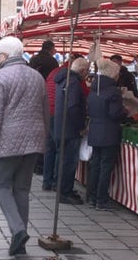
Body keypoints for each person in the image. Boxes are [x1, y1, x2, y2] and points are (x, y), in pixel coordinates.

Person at [0, 36, 49, 256]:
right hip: (34, 141)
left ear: (4, 56)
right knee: (22, 189)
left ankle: (18, 229)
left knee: (1, 186)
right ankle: (19, 243)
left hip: (7, 142)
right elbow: (45, 111)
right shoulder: (37, 77)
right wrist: (44, 138)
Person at [87, 59, 128, 211]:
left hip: (95, 130)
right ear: (113, 74)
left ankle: (91, 197)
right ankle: (101, 199)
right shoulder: (113, 91)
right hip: (109, 132)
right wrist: (124, 111)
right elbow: (114, 113)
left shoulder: (94, 88)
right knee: (105, 167)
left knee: (95, 165)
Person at [54, 57, 89, 205]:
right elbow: (73, 107)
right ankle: (65, 192)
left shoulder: (64, 79)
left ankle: (63, 188)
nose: (87, 74)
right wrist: (81, 126)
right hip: (70, 128)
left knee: (64, 160)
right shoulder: (74, 83)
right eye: (87, 71)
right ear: (82, 70)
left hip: (61, 126)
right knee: (69, 162)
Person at [29, 40, 59, 175]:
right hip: (46, 98)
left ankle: (35, 164)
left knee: (35, 134)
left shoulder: (33, 59)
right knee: (46, 135)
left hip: (32, 97)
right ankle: (42, 166)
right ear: (51, 49)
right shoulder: (52, 62)